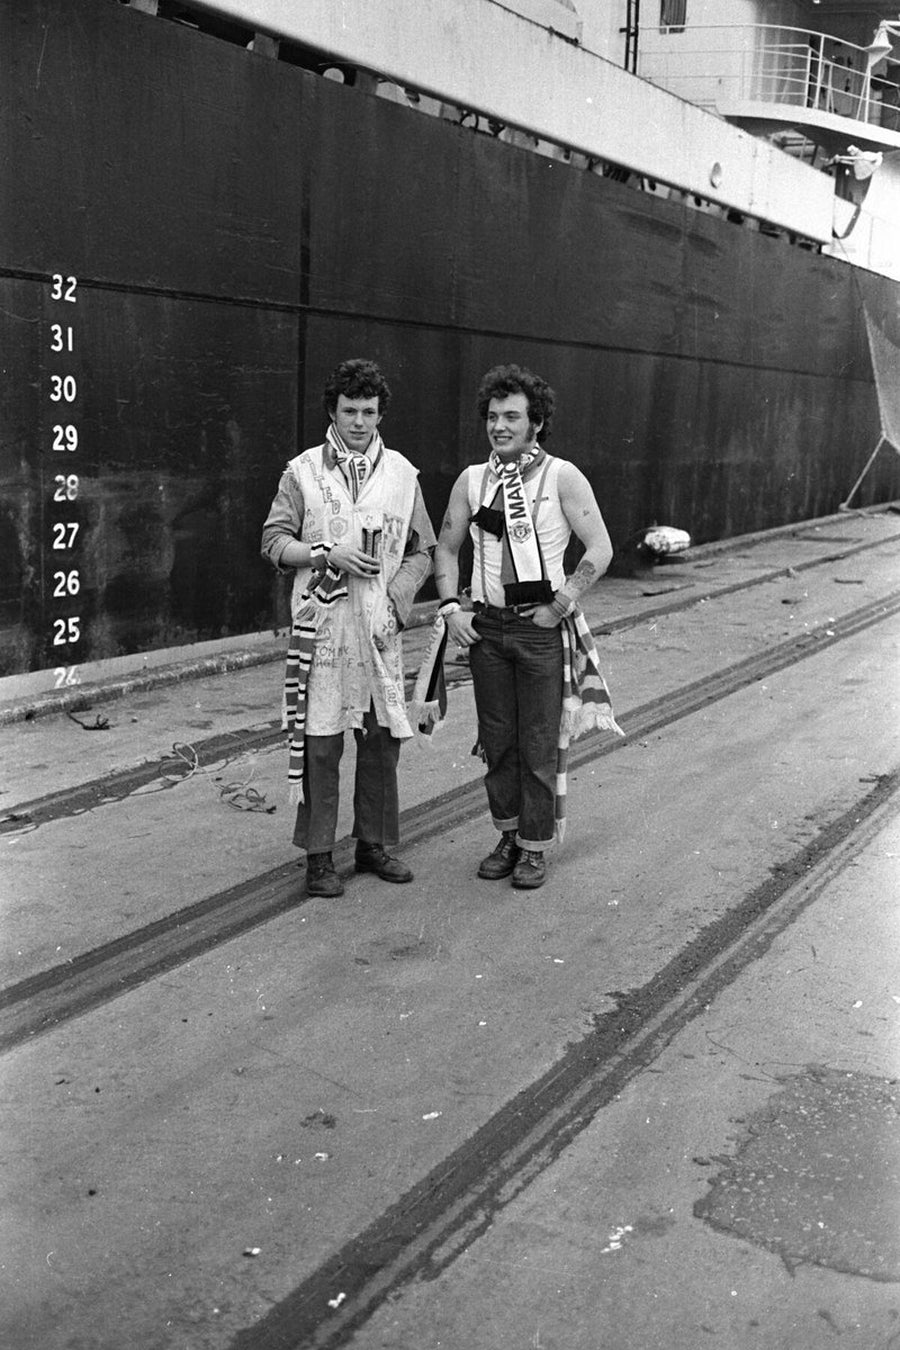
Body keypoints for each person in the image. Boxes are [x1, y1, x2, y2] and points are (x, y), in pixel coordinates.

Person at [431, 363, 621, 890]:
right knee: (497, 742)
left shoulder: (562, 475)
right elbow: (446, 549)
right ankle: (508, 834)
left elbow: (600, 548)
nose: (500, 426)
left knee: (537, 744)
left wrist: (562, 604)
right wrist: (452, 610)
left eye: (512, 416)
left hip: (540, 628)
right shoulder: (473, 480)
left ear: (535, 422)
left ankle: (534, 848)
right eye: (493, 416)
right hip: (487, 630)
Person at [261, 358, 436, 897]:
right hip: (324, 623)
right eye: (349, 410)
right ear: (332, 412)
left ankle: (373, 845)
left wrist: (396, 598)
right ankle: (318, 857)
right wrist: (322, 553)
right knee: (321, 740)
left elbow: (422, 550)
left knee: (381, 738)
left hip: (377, 626)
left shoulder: (403, 474)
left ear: (380, 413)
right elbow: (272, 541)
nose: (359, 421)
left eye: (369, 411)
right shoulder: (303, 471)